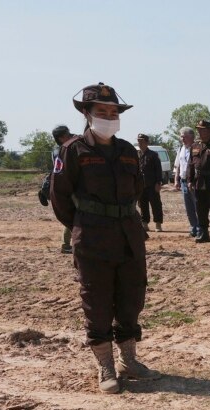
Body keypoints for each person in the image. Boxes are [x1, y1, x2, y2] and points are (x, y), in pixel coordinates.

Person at [50, 83, 153, 393]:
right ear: (87, 113)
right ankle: (106, 366)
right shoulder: (73, 150)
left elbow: (136, 190)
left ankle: (128, 360)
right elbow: (60, 198)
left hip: (128, 235)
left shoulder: (126, 151)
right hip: (93, 239)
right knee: (97, 302)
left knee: (131, 298)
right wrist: (84, 224)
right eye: (102, 112)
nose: (109, 116)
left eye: (113, 112)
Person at [40, 125, 76, 253]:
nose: (71, 135)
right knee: (75, 216)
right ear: (61, 138)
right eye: (68, 134)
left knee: (73, 216)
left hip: (62, 188)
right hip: (66, 189)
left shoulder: (58, 150)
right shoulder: (62, 151)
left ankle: (66, 244)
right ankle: (67, 245)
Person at [173, 127, 201, 239]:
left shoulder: (196, 148)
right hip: (183, 181)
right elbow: (178, 165)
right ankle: (193, 227)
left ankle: (200, 228)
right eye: (181, 136)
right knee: (188, 207)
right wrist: (176, 180)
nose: (182, 138)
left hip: (193, 182)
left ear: (191, 136)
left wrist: (193, 181)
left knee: (197, 206)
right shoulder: (181, 149)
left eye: (184, 136)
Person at [135, 133, 164, 233]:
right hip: (141, 185)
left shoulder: (153, 155)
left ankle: (158, 224)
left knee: (156, 204)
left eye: (142, 141)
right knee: (142, 205)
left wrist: (158, 183)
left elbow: (158, 170)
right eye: (139, 141)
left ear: (147, 142)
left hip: (152, 185)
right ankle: (145, 224)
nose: (140, 143)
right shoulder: (137, 155)